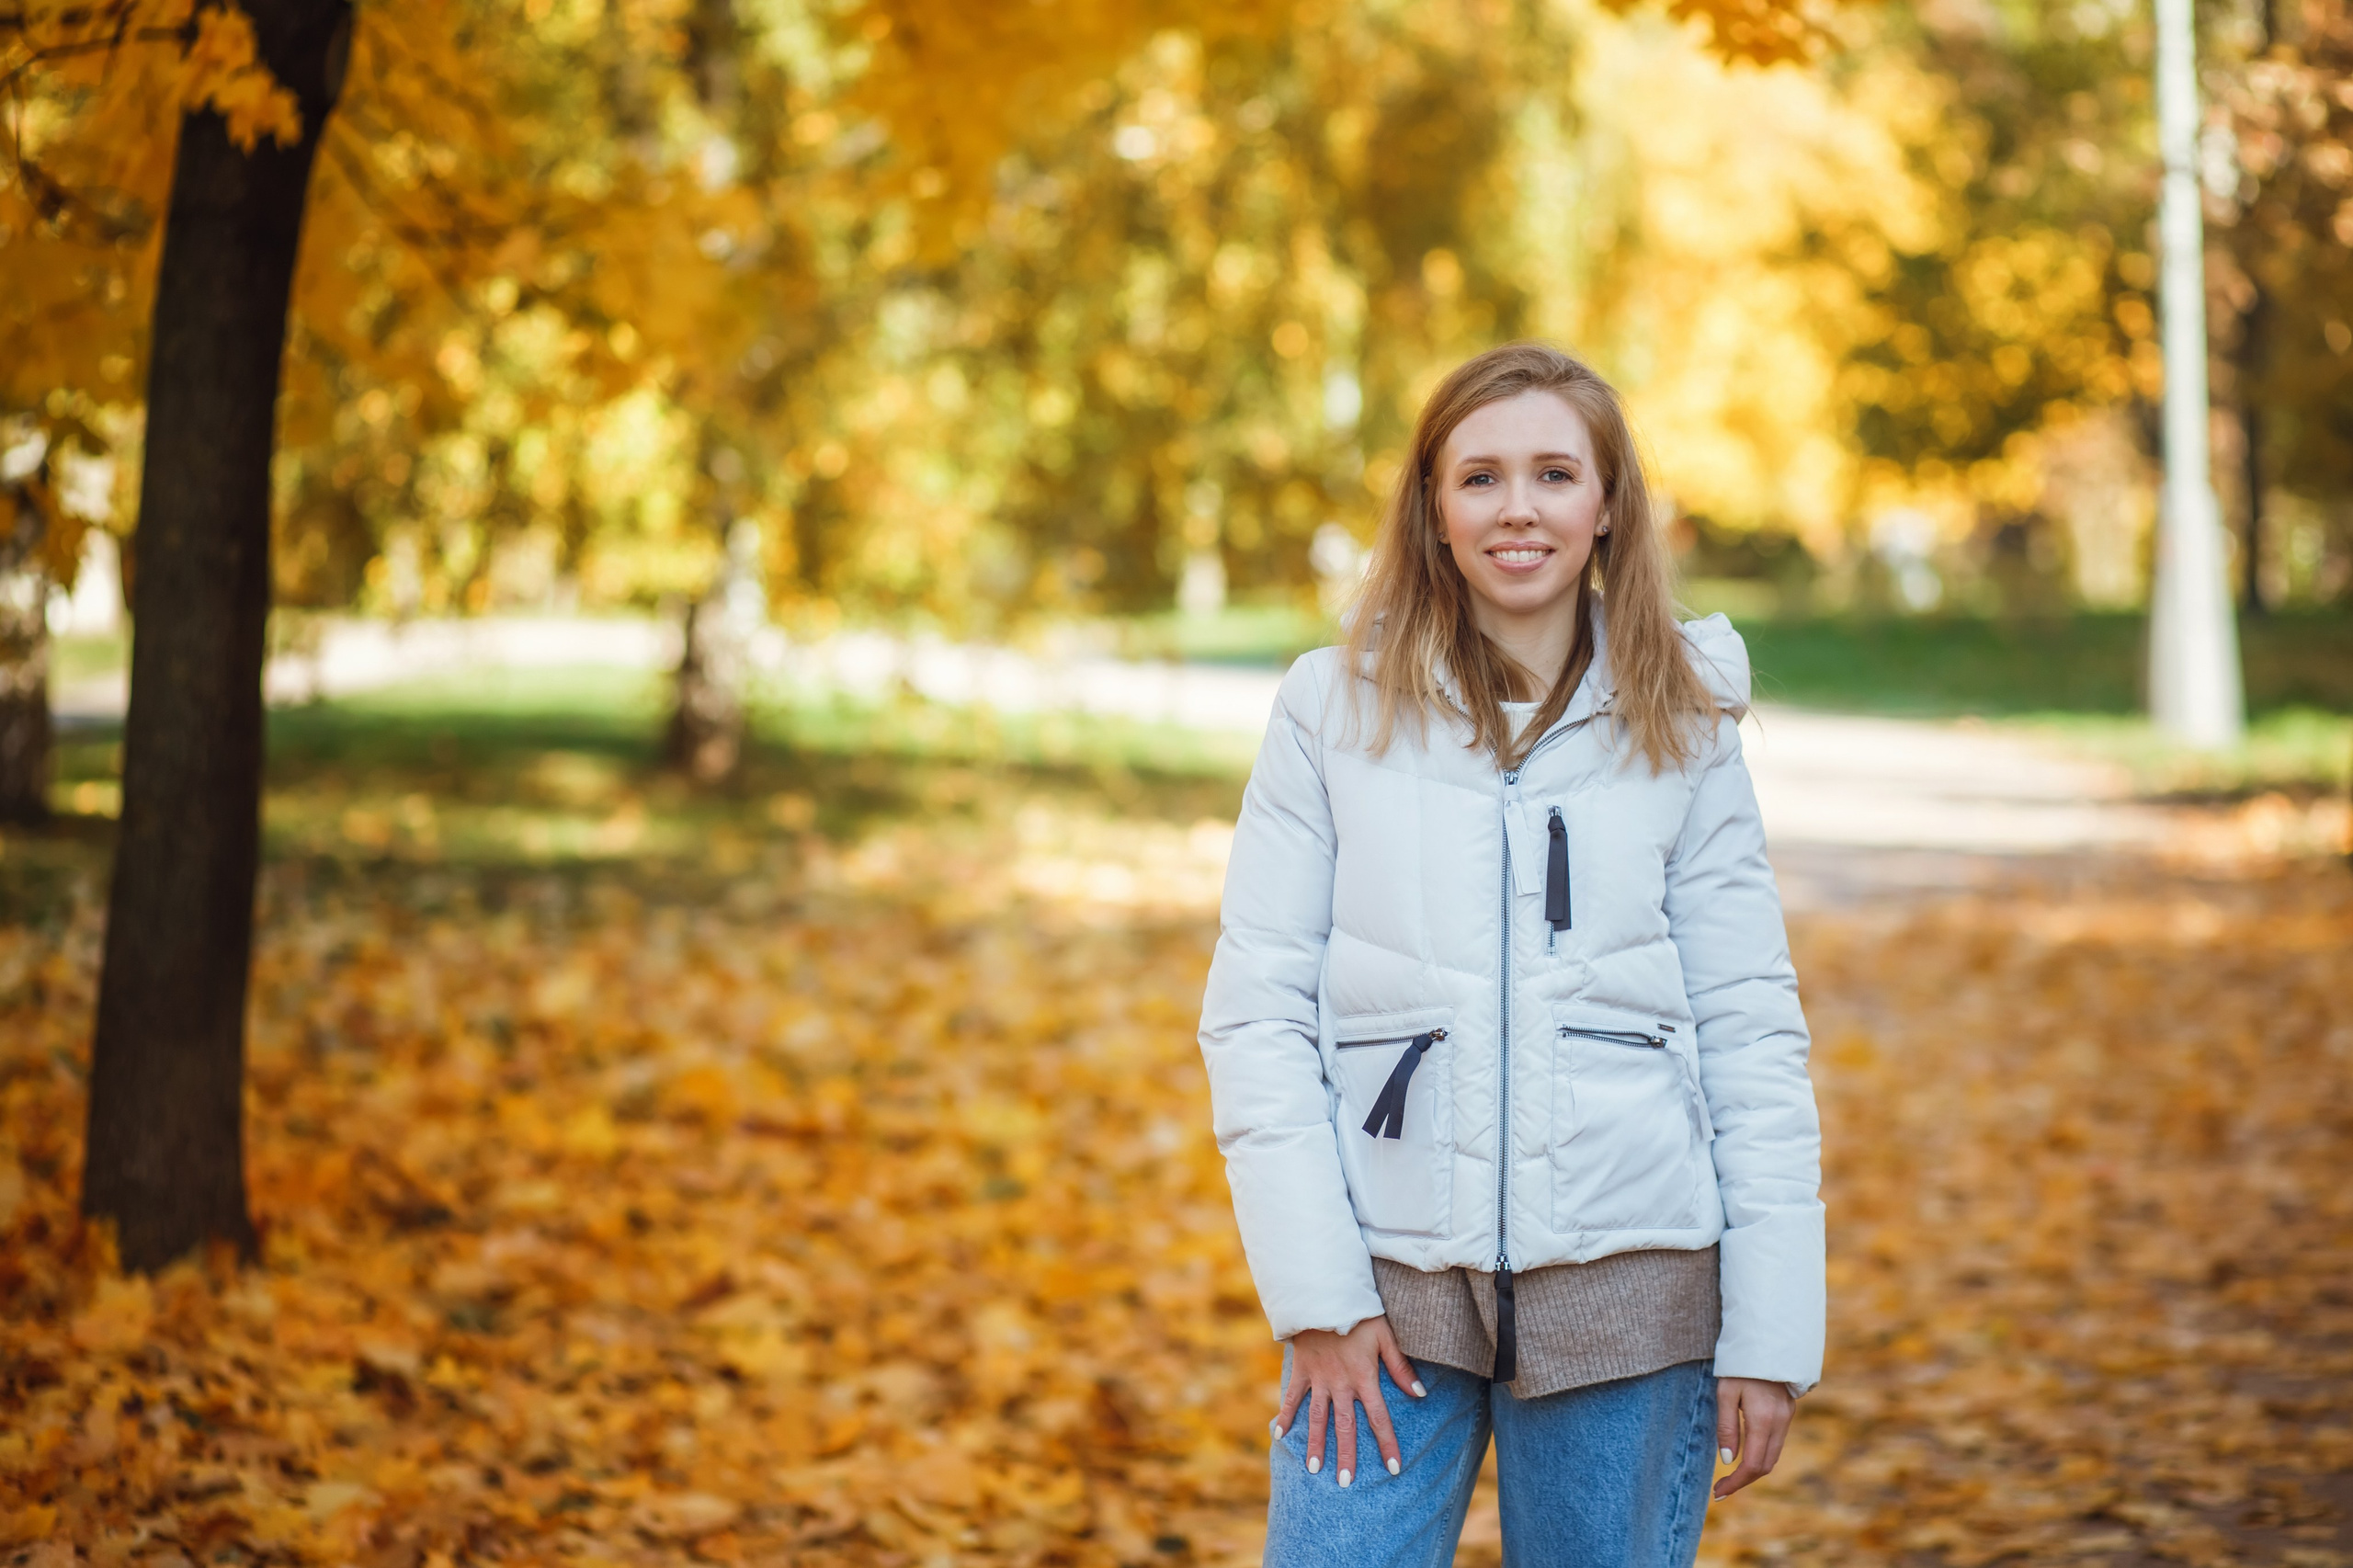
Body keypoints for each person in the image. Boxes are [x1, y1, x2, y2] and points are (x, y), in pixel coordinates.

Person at [1198, 342, 1824, 1567]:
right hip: (1385, 1290)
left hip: (1633, 1298)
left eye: (1555, 473)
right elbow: (1255, 1014)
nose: (1519, 508)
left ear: (1608, 505)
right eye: (1480, 477)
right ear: (1434, 511)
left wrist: (1770, 1332)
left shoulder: (1685, 720)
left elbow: (1750, 1026)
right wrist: (1319, 1299)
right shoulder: (1331, 711)